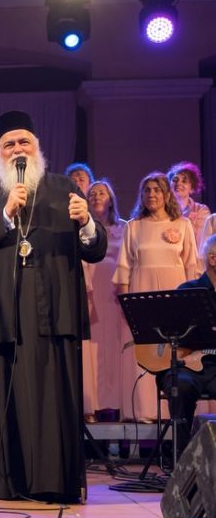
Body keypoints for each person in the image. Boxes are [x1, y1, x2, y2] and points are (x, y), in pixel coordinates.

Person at [0, 110, 107, 503]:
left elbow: (96, 249)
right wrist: (5, 214)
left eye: (24, 142)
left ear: (37, 148)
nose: (17, 149)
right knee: (3, 396)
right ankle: (6, 482)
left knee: (54, 399)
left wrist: (87, 223)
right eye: (9, 144)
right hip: (2, 314)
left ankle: (55, 482)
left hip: (54, 312)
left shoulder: (63, 187)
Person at [113, 172, 197, 423]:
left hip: (175, 293)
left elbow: (191, 265)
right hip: (143, 292)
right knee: (146, 349)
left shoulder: (182, 224)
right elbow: (124, 267)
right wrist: (126, 304)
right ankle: (145, 411)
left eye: (157, 190)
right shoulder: (134, 226)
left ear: (167, 194)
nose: (151, 194)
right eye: (147, 190)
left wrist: (190, 302)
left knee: (174, 351)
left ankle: (176, 412)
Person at [156, 234, 216, 461]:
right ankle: (182, 462)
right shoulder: (188, 291)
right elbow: (166, 333)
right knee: (179, 385)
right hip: (187, 367)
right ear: (213, 259)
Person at [81, 179, 127, 422]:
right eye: (92, 194)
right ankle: (93, 405)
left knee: (115, 348)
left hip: (115, 294)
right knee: (92, 350)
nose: (96, 196)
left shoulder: (125, 228)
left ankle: (118, 404)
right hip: (91, 293)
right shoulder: (80, 228)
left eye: (101, 193)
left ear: (111, 200)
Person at [169, 161, 211, 267]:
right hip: (170, 263)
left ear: (192, 188)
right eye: (175, 180)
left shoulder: (201, 211)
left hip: (194, 265)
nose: (179, 183)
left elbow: (202, 243)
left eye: (184, 181)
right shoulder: (162, 211)